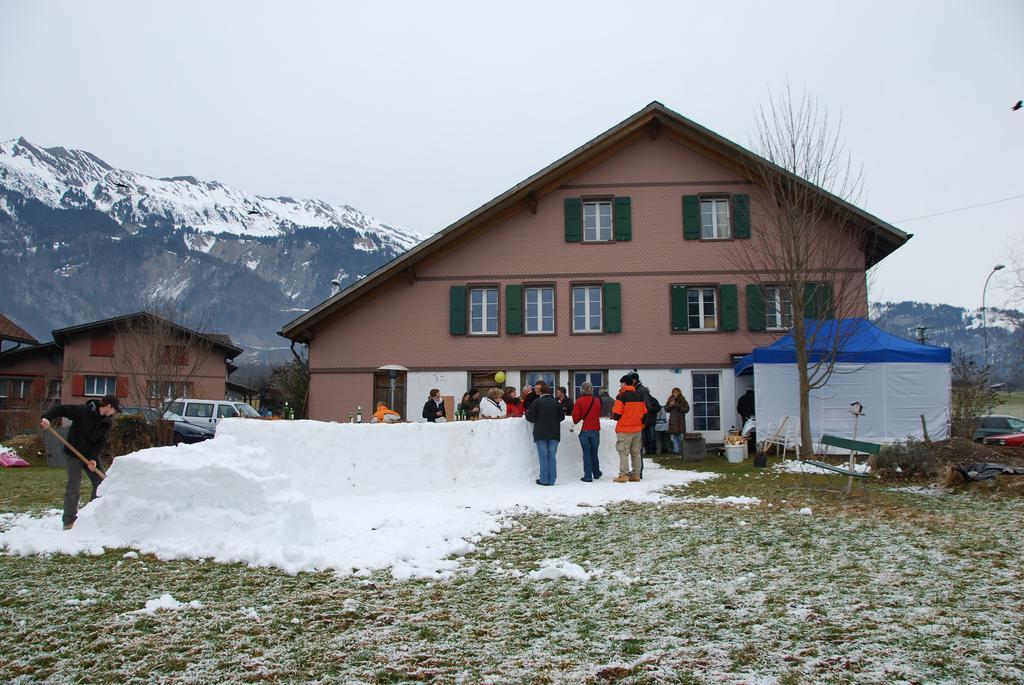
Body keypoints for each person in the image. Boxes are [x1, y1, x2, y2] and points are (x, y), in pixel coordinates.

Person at [40, 394, 120, 530]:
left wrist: (93, 458)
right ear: (108, 406)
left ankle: (92, 515)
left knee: (101, 484)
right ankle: (68, 521)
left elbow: (100, 442)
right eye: (115, 410)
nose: (114, 413)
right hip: (74, 455)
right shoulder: (83, 411)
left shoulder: (106, 422)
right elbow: (60, 409)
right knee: (74, 488)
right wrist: (46, 417)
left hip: (90, 456)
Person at [525, 381, 564, 485]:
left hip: (540, 432)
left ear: (541, 392)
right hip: (554, 433)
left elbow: (530, 418)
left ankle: (544, 479)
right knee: (552, 456)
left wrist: (527, 414)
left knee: (543, 456)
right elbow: (562, 417)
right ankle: (552, 480)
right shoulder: (556, 402)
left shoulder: (537, 402)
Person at [611, 374, 646, 483]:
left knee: (623, 452)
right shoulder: (640, 395)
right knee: (636, 452)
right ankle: (636, 474)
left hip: (624, 429)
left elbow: (616, 414)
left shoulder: (621, 396)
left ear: (624, 383)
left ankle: (624, 474)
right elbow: (645, 413)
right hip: (637, 429)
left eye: (621, 383)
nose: (620, 385)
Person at [571, 381, 603, 481]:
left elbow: (575, 418)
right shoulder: (597, 400)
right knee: (594, 452)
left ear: (581, 390)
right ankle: (596, 472)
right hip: (595, 429)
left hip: (584, 430)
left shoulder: (579, 401)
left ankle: (588, 476)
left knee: (586, 453)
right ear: (592, 389)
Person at [664, 388, 690, 455]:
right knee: (674, 437)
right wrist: (670, 405)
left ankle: (681, 450)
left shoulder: (683, 400)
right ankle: (676, 450)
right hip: (673, 421)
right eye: (674, 392)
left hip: (680, 421)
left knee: (680, 436)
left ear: (679, 393)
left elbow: (687, 409)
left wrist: (678, 406)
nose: (675, 394)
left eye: (676, 392)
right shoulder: (670, 399)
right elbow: (666, 409)